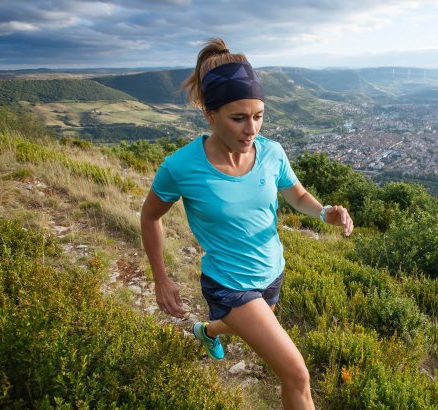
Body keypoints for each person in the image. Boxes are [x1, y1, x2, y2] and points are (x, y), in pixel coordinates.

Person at [140, 38, 353, 409]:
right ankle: (215, 323)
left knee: (249, 325)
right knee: (296, 374)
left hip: (272, 271)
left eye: (258, 115)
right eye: (238, 118)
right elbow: (150, 216)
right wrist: (160, 277)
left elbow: (296, 195)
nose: (251, 128)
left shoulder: (272, 152)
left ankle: (205, 331)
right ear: (210, 114)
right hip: (229, 284)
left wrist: (323, 212)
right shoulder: (181, 167)